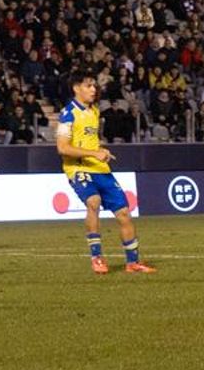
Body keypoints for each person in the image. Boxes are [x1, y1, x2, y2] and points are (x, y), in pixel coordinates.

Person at [57, 72, 155, 275]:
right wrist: (94, 153)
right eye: (89, 85)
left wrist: (101, 151)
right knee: (93, 202)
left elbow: (89, 140)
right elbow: (63, 148)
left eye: (94, 85)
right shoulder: (67, 114)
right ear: (76, 88)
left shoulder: (93, 111)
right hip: (78, 168)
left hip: (100, 168)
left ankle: (133, 263)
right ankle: (97, 258)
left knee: (124, 213)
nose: (94, 89)